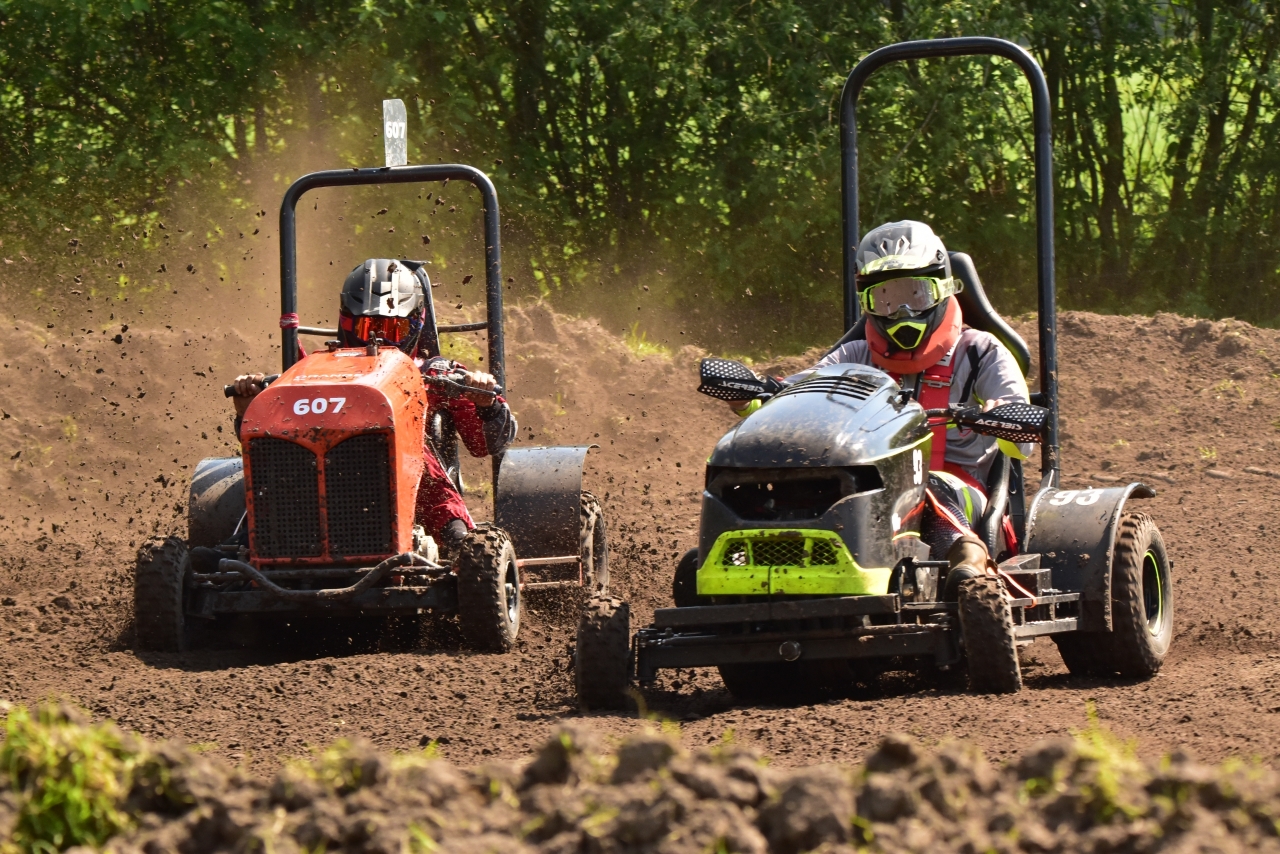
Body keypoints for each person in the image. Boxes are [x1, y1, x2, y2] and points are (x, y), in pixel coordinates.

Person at [725, 220, 1031, 597]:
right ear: (866, 302)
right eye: (885, 298)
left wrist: (1004, 416)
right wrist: (754, 395)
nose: (902, 311)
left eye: (916, 295)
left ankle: (967, 558)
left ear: (943, 289)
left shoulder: (981, 351)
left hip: (960, 484)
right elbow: (800, 396)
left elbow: (1024, 431)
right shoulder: (855, 356)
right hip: (873, 483)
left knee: (921, 489)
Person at [231, 258, 516, 555]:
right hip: (314, 490)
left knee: (410, 447)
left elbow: (486, 445)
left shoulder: (437, 374)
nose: (376, 339)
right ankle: (251, 542)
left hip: (413, 498)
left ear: (414, 325)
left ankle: (456, 539)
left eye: (392, 329)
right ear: (346, 323)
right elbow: (268, 442)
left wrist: (486, 403)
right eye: (366, 326)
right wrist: (246, 409)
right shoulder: (314, 371)